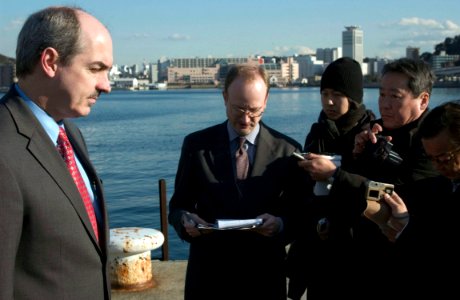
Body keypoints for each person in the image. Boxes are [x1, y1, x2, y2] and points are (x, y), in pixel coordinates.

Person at [168, 63, 313, 300]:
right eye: (238, 109)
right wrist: (185, 221)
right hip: (208, 278)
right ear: (224, 98)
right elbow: (177, 206)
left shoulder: (288, 150)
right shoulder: (196, 145)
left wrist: (280, 224)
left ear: (266, 100)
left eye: (255, 110)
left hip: (264, 278)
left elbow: (301, 213)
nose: (246, 119)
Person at [0, 6, 113, 299]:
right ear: (50, 61)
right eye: (95, 68)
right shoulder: (3, 148)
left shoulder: (69, 134)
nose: (107, 86)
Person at [286, 57, 376, 300]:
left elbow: (374, 190)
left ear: (353, 96)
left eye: (337, 94)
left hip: (357, 252)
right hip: (317, 251)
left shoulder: (373, 135)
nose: (329, 102)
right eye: (324, 93)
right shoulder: (317, 132)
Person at [377, 100, 460, 298]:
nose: (438, 165)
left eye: (444, 158)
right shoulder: (439, 186)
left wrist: (405, 230)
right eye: (431, 158)